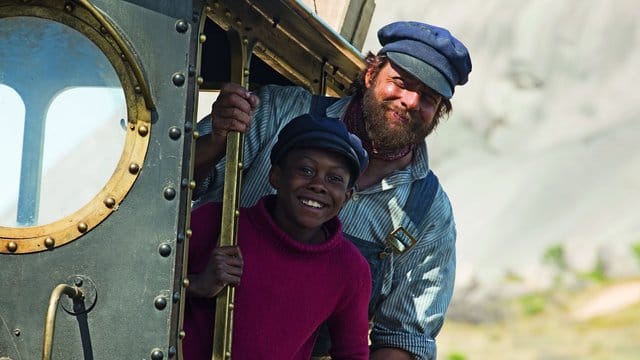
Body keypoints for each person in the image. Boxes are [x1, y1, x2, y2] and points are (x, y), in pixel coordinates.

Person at [192, 21, 472, 360]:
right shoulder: (277, 112)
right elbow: (175, 185)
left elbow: (403, 338)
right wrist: (218, 139)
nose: (410, 101)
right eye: (401, 82)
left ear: (440, 112)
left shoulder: (428, 213)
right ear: (371, 75)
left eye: (428, 97)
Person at [183, 114, 372, 360]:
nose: (318, 184)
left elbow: (352, 353)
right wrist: (197, 285)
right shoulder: (214, 222)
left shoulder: (350, 268)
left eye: (334, 179)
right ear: (275, 176)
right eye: (305, 170)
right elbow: (138, 284)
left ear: (346, 197)